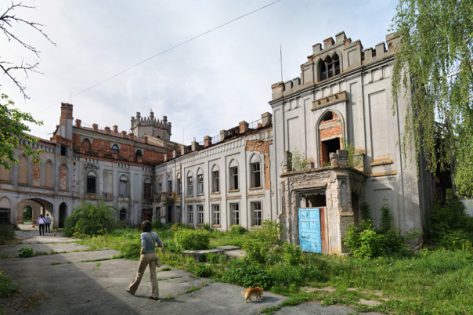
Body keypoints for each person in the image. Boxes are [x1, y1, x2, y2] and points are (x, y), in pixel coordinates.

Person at [127, 220, 163, 300]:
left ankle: (132, 289)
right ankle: (155, 295)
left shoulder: (143, 234)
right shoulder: (155, 234)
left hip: (146, 256)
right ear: (150, 227)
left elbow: (144, 247)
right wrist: (155, 245)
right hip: (153, 255)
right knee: (153, 275)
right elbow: (160, 244)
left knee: (139, 273)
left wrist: (141, 252)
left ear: (143, 227)